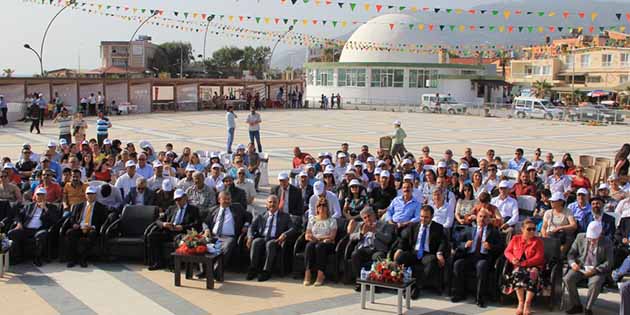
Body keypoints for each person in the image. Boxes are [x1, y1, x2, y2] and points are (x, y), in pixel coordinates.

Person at [451, 209, 503, 308]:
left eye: (485, 217)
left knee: (481, 266)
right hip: (469, 256)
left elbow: (501, 247)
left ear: (489, 219)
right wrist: (465, 245)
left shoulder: (493, 232)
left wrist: (491, 247)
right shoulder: (469, 229)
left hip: (483, 258)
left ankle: (480, 298)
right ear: (476, 218)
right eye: (480, 216)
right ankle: (459, 294)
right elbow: (457, 244)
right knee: (458, 264)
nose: (482, 219)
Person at [394, 205, 447, 299]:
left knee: (432, 261)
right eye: (422, 216)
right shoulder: (413, 226)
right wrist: (400, 249)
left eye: (426, 217)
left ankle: (417, 287)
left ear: (431, 217)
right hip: (414, 252)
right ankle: (402, 284)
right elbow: (404, 239)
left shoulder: (438, 227)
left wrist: (439, 253)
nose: (423, 219)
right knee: (400, 257)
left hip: (428, 254)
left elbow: (443, 242)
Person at [563, 221, 614, 315]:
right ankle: (576, 305)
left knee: (595, 283)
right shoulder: (580, 237)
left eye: (594, 239)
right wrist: (573, 263)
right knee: (568, 279)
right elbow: (571, 254)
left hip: (597, 269)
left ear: (600, 235)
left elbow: (609, 262)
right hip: (581, 267)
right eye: (589, 238)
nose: (591, 241)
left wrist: (595, 270)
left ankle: (588, 308)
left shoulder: (607, 242)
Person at [246, 195, 297, 282]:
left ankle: (266, 271)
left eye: (274, 202)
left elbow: (293, 228)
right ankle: (253, 269)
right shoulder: (261, 216)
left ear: (278, 204)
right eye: (270, 202)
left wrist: (284, 234)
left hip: (276, 239)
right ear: (266, 204)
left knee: (270, 244)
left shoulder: (285, 216)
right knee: (256, 242)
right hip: (263, 237)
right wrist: (250, 236)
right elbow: (251, 227)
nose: (272, 204)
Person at [147, 189, 201, 270]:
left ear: (185, 198)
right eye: (176, 200)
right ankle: (158, 262)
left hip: (183, 232)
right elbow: (158, 220)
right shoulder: (171, 208)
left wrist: (183, 227)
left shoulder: (193, 209)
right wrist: (164, 224)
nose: (178, 202)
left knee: (178, 239)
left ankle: (175, 263)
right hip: (169, 231)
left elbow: (197, 224)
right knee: (152, 236)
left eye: (179, 199)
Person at [502, 219, 545, 315]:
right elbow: (507, 252)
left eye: (534, 229)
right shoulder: (515, 238)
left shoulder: (538, 241)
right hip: (518, 266)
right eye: (529, 229)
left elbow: (539, 257)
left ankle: (527, 303)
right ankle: (520, 302)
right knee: (517, 273)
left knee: (532, 274)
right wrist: (513, 259)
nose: (532, 231)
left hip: (533, 266)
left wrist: (524, 263)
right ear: (522, 229)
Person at [8, 187, 60, 266]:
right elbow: (18, 215)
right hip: (26, 229)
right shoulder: (29, 206)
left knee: (41, 235)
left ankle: (37, 258)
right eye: (38, 195)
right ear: (35, 196)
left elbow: (55, 220)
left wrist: (45, 208)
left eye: (42, 195)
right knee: (12, 233)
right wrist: (19, 223)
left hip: (39, 229)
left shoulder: (51, 207)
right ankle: (17, 257)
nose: (40, 197)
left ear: (46, 196)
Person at [202, 192, 249, 270]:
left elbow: (249, 216)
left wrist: (246, 225)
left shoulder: (237, 208)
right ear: (219, 200)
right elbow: (205, 222)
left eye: (229, 199)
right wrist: (206, 229)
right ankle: (204, 270)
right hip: (214, 236)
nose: (227, 201)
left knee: (227, 246)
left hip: (228, 237)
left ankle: (217, 270)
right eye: (225, 199)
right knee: (201, 244)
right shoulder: (213, 209)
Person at [64, 186, 108, 268]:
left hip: (91, 228)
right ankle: (72, 259)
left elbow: (104, 221)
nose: (90, 196)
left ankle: (83, 259)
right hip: (80, 227)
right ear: (85, 195)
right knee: (70, 233)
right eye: (88, 194)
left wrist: (93, 226)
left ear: (95, 195)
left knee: (92, 234)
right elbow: (72, 218)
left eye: (92, 194)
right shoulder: (79, 206)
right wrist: (74, 224)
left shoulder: (101, 207)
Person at [350, 208, 394, 290]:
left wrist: (375, 231)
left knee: (377, 257)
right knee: (355, 254)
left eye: (369, 216)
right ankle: (360, 281)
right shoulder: (361, 225)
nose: (367, 219)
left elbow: (388, 239)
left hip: (378, 249)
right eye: (365, 218)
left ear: (374, 215)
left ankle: (375, 284)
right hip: (364, 249)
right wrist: (361, 233)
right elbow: (351, 237)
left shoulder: (385, 225)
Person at [303, 197, 337, 286]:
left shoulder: (332, 220)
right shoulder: (312, 220)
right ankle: (308, 273)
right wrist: (311, 238)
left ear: (327, 207)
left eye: (324, 205)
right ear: (316, 208)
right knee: (309, 245)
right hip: (314, 242)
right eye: (319, 205)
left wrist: (318, 239)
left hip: (327, 243)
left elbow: (332, 236)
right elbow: (307, 235)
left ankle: (320, 275)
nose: (321, 207)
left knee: (320, 246)